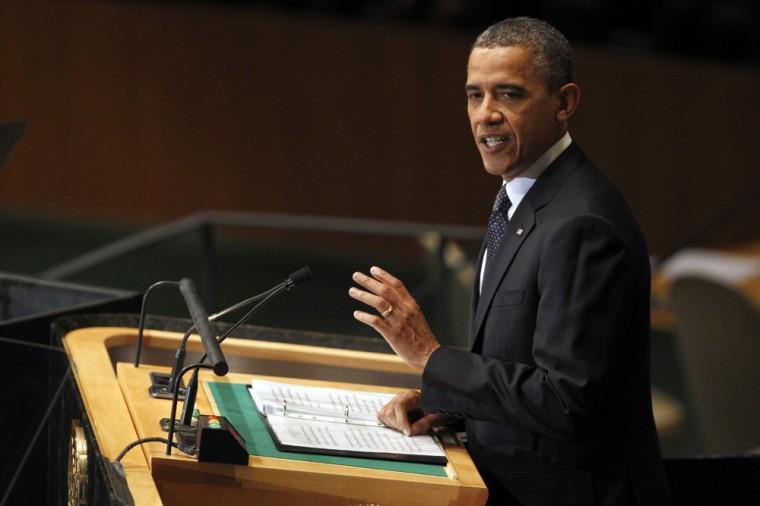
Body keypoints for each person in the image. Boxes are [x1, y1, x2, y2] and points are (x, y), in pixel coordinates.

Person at [349, 16, 671, 506]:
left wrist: (432, 359)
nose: (486, 114)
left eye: (510, 95)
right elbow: (519, 360)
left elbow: (566, 402)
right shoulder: (523, 198)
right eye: (475, 95)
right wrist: (451, 405)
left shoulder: (582, 225)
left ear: (564, 103)